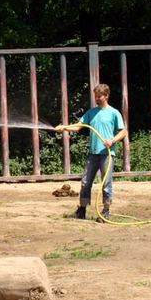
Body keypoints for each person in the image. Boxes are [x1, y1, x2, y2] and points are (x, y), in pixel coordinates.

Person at [55, 84, 128, 222]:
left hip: (107, 154)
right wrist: (64, 127)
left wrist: (112, 141)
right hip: (93, 154)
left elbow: (123, 131)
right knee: (85, 182)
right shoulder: (91, 112)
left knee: (106, 183)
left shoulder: (114, 113)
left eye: (99, 96)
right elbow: (79, 127)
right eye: (95, 96)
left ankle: (105, 211)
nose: (97, 99)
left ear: (106, 96)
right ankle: (81, 210)